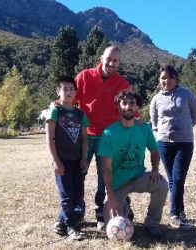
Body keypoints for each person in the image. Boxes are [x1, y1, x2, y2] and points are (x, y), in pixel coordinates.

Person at [73, 46, 134, 229]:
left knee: (104, 178)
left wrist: (137, 122)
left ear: (119, 63)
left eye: (115, 61)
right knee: (78, 175)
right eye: (108, 59)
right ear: (101, 58)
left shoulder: (122, 83)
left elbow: (129, 107)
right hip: (84, 135)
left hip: (107, 138)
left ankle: (101, 213)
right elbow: (70, 99)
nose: (111, 63)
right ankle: (76, 211)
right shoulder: (84, 76)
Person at [98, 91, 168, 239]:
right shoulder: (108, 133)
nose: (128, 106)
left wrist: (155, 170)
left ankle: (152, 224)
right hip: (117, 185)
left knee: (161, 185)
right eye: (124, 103)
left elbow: (155, 152)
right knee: (113, 226)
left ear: (137, 107)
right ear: (118, 106)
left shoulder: (144, 128)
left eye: (132, 103)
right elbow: (106, 168)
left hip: (138, 177)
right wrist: (110, 196)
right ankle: (124, 210)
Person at [149, 65, 196, 229]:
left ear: (176, 78)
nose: (167, 81)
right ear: (159, 80)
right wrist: (163, 131)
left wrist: (185, 127)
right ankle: (180, 210)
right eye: (163, 78)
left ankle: (174, 215)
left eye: (170, 77)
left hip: (184, 142)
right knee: (173, 179)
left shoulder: (186, 94)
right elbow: (154, 120)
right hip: (164, 143)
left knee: (178, 178)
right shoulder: (156, 99)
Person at [45, 75, 89, 240]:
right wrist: (56, 160)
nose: (69, 92)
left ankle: (61, 222)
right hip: (62, 160)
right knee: (67, 195)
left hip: (77, 161)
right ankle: (72, 227)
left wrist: (84, 157)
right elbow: (49, 139)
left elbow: (84, 139)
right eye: (65, 89)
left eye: (72, 89)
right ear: (58, 91)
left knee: (78, 195)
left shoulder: (80, 114)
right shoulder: (55, 111)